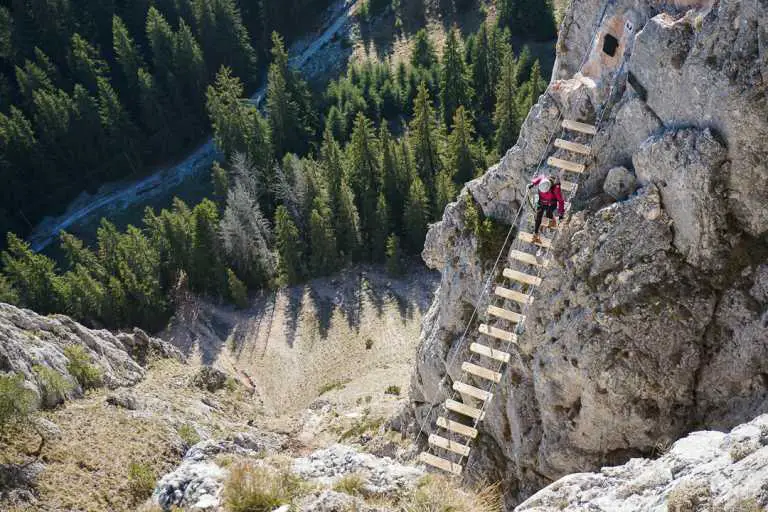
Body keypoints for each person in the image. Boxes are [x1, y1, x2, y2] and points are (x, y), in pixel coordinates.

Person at [528, 174, 565, 244]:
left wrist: (561, 213)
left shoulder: (556, 189)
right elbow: (539, 178)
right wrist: (533, 184)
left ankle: (552, 220)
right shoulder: (543, 180)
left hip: (552, 203)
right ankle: (535, 234)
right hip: (542, 202)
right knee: (538, 216)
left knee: (548, 213)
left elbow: (560, 201)